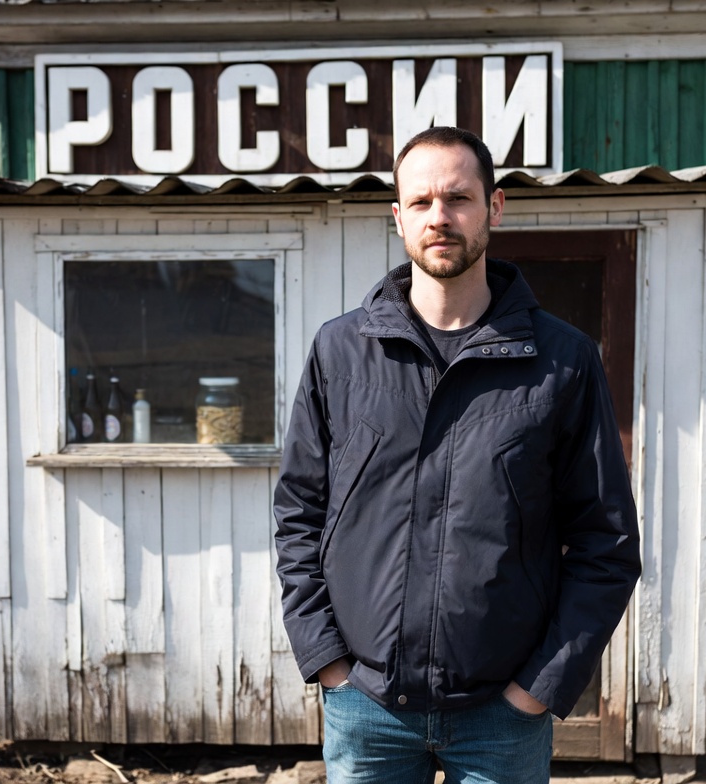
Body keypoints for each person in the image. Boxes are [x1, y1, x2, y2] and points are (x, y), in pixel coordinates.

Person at [273, 126, 641, 784]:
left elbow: (605, 542)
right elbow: (299, 512)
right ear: (398, 218)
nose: (438, 217)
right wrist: (328, 662)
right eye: (420, 202)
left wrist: (539, 687)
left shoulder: (562, 361)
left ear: (494, 207)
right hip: (367, 707)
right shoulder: (341, 353)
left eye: (458, 198)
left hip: (502, 716)